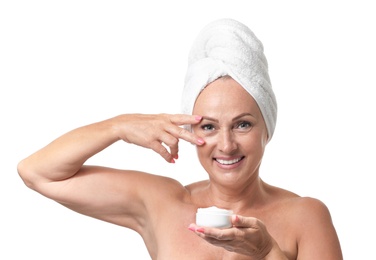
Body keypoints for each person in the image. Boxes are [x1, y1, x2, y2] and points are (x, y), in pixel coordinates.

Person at [17, 18, 343, 259]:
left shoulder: (306, 216)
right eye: (209, 127)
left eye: (243, 125)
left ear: (267, 129)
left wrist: (268, 250)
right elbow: (37, 172)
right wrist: (119, 126)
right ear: (189, 131)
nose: (226, 145)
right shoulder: (163, 203)